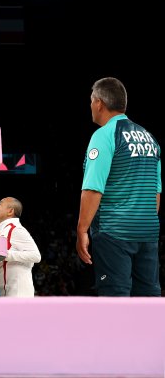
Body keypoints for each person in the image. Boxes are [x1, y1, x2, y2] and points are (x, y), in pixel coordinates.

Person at [77, 77, 161, 297]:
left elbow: (93, 188)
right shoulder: (150, 138)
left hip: (114, 232)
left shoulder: (103, 136)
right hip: (147, 232)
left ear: (99, 103)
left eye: (90, 101)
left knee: (115, 298)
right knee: (148, 297)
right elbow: (155, 191)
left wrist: (82, 230)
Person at [0, 197, 41, 297]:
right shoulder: (4, 232)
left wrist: (3, 255)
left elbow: (36, 255)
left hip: (19, 294)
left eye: (0, 204)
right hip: (7, 294)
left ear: (10, 211)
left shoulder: (15, 229)